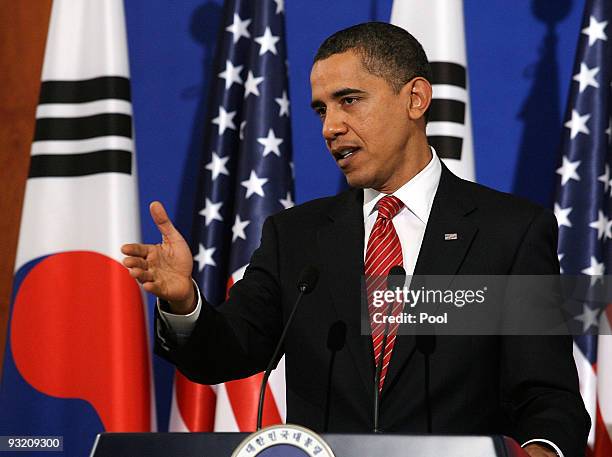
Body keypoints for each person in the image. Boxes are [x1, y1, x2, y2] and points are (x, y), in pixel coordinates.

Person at [122, 23, 589, 457]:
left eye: (349, 100)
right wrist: (184, 302)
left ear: (416, 99)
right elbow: (225, 353)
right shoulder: (296, 237)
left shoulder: (509, 231)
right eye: (322, 109)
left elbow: (547, 393)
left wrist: (541, 451)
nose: (330, 127)